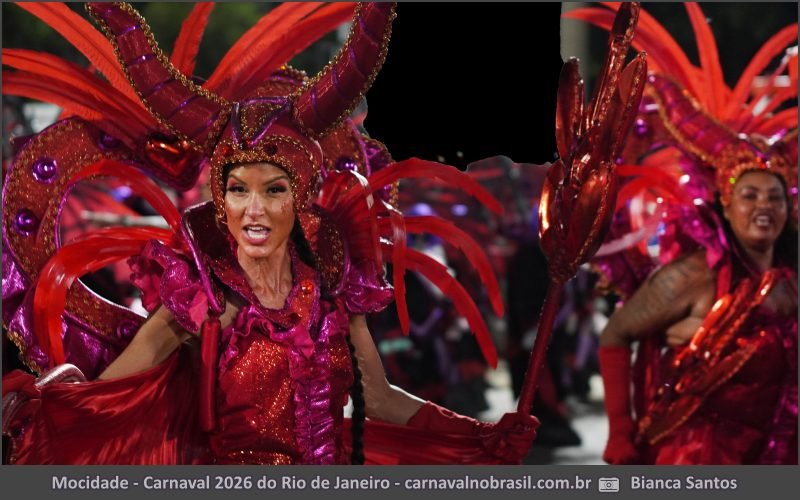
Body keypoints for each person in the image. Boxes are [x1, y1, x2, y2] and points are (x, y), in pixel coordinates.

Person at [1, 2, 538, 465]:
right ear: (221, 198)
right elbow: (112, 396)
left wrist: (478, 435)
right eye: (237, 190)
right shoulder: (200, 299)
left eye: (274, 191)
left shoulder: (332, 294)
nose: (253, 209)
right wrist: (52, 408)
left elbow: (380, 398)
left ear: (299, 198)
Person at [568, 3, 798, 464]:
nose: (763, 207)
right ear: (725, 205)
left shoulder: (790, 281)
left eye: (774, 197)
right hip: (696, 456)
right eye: (749, 196)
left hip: (774, 452)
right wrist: (620, 433)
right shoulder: (690, 276)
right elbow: (615, 335)